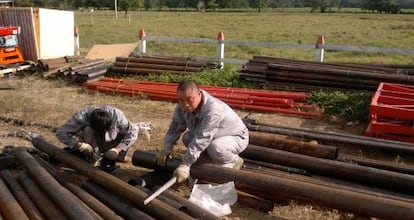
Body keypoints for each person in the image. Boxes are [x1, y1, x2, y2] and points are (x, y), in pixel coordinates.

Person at [155, 80, 249, 183]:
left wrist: (186, 164)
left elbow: (202, 137)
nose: (185, 104)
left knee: (216, 148)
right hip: (214, 136)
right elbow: (175, 127)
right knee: (187, 138)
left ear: (199, 94)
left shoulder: (212, 109)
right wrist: (166, 148)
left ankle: (234, 161)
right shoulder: (182, 106)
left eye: (190, 99)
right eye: (181, 100)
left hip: (236, 137)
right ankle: (208, 161)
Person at [56, 105, 138, 173]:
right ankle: (92, 157)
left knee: (125, 133)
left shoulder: (117, 116)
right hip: (93, 140)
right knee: (87, 130)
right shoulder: (81, 117)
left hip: (113, 140)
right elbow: (61, 133)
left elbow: (133, 131)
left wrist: (117, 149)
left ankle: (119, 156)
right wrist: (79, 145)